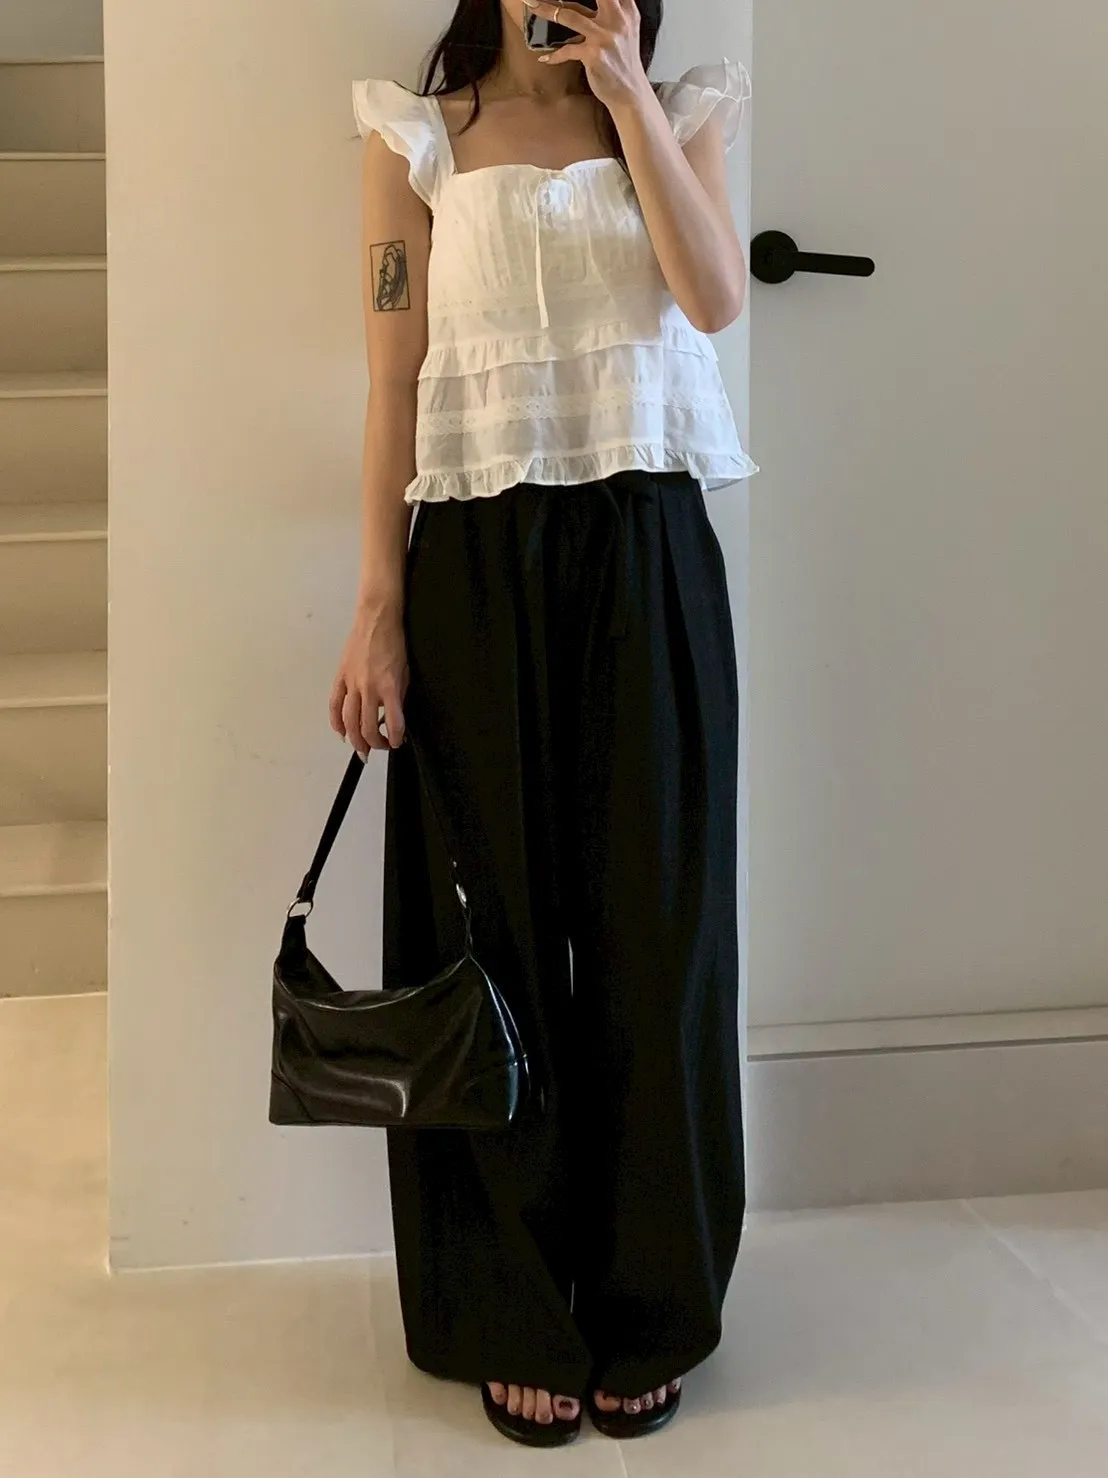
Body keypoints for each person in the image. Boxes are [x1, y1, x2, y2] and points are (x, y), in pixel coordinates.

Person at [330, 0, 757, 1448]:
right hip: (473, 548)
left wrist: (628, 98)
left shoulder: (680, 113)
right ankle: (505, 1303)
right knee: (487, 938)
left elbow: (715, 299)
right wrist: (378, 603)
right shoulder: (414, 139)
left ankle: (653, 1296)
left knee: (658, 921)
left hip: (648, 538)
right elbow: (393, 377)